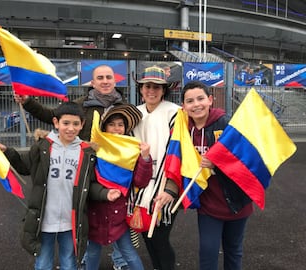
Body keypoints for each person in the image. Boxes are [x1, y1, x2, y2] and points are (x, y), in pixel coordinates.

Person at [14, 64, 130, 269]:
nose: (105, 81)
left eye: (108, 77)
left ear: (115, 81)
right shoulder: (81, 105)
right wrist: (28, 102)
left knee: (117, 220)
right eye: (100, 78)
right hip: (86, 168)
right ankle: (84, 256)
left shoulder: (125, 106)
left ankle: (119, 260)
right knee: (85, 217)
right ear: (92, 82)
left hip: (114, 171)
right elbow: (52, 115)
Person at [0, 102, 97, 270]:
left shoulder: (87, 152)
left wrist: (107, 193)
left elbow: (91, 183)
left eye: (75, 124)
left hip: (70, 220)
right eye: (66, 123)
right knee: (43, 263)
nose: (70, 128)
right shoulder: (43, 147)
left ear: (82, 125)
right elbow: (24, 166)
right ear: (56, 123)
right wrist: (7, 151)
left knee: (69, 263)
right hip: (44, 218)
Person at [179, 81, 254, 270]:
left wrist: (217, 163)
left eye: (200, 98)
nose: (196, 104)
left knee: (233, 251)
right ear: (184, 106)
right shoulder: (183, 130)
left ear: (210, 100)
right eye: (190, 101)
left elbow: (247, 159)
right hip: (208, 206)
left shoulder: (226, 124)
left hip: (236, 202)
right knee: (208, 252)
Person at [86, 103, 153, 270]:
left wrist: (145, 159)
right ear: (104, 126)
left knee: (127, 252)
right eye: (112, 124)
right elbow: (87, 181)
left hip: (119, 212)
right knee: (92, 252)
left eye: (120, 124)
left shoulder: (132, 149)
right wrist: (103, 193)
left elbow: (140, 181)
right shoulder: (94, 148)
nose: (116, 129)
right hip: (96, 211)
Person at [131, 66, 180, 270]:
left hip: (165, 183)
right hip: (141, 184)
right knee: (146, 234)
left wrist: (170, 188)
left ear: (164, 90)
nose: (152, 91)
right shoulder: (134, 113)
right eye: (147, 86)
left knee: (160, 235)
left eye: (157, 87)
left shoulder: (175, 113)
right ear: (141, 89)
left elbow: (179, 152)